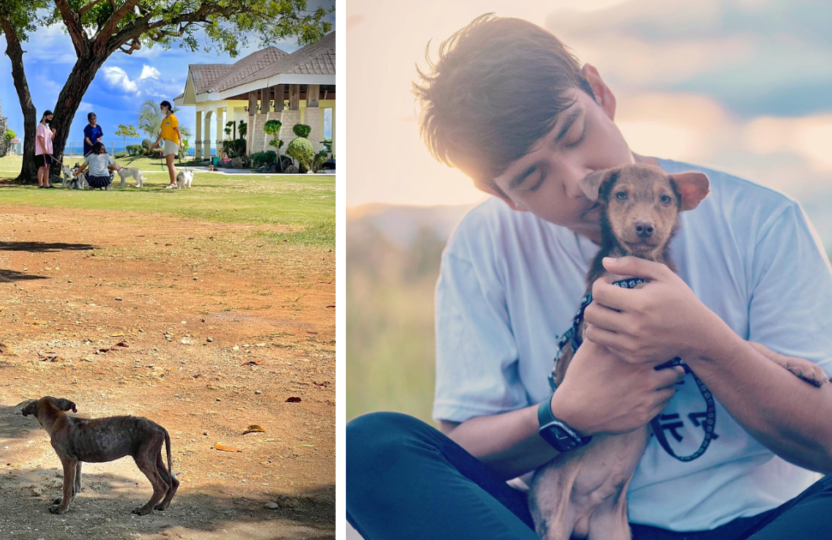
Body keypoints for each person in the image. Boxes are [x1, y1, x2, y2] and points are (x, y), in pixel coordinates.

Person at [347, 15, 832, 540]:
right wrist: (565, 414)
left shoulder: (762, 221)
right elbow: (465, 448)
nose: (579, 183)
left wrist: (702, 340)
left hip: (766, 522)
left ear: (600, 94)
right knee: (372, 448)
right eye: (534, 178)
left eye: (575, 134)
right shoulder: (483, 245)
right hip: (577, 521)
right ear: (504, 195)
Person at [154, 100, 183, 189]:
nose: (161, 109)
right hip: (167, 142)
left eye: (162, 107)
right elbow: (162, 133)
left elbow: (178, 130)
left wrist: (181, 141)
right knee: (168, 163)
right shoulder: (164, 120)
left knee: (170, 163)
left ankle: (174, 183)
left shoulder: (172, 117)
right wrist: (156, 143)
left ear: (167, 107)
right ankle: (172, 182)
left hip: (173, 141)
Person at [34, 110, 56, 189]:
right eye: (49, 118)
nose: (50, 120)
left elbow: (51, 138)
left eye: (51, 118)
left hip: (49, 151)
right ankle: (41, 184)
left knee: (47, 167)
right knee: (42, 166)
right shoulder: (40, 126)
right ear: (44, 117)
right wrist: (44, 149)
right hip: (42, 151)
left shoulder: (47, 127)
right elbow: (40, 138)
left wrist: (54, 133)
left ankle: (47, 184)